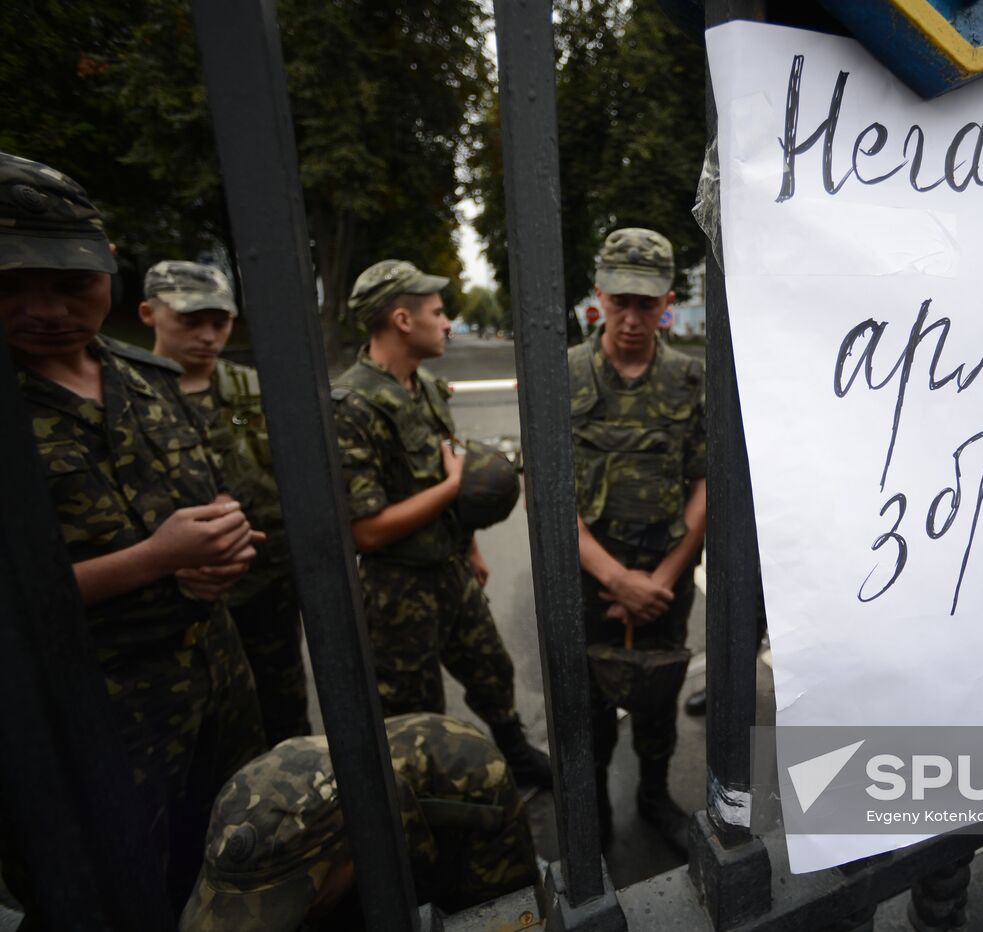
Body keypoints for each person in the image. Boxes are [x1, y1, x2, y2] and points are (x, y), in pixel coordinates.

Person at [0, 152, 266, 910]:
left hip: (217, 681)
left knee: (244, 858)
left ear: (108, 270)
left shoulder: (144, 380)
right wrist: (156, 559)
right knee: (129, 892)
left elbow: (212, 500)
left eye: (69, 283)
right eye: (11, 283)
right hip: (98, 716)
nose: (43, 307)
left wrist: (224, 554)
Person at [331, 259, 550, 789]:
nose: (448, 321)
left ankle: (515, 751)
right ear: (402, 320)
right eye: (437, 311)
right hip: (397, 589)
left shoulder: (426, 388)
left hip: (449, 567)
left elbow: (440, 465)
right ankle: (428, 800)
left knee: (490, 669)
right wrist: (452, 487)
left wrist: (470, 549)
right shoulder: (352, 405)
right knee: (414, 709)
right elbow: (367, 531)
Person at [570, 228, 706, 852]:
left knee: (657, 698)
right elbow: (548, 495)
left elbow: (706, 486)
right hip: (585, 582)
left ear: (667, 302)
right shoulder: (562, 375)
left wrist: (662, 580)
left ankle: (654, 796)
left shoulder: (689, 378)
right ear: (598, 293)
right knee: (587, 709)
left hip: (663, 580)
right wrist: (614, 578)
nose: (630, 317)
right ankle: (590, 810)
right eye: (619, 300)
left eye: (645, 304)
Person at [140, 260, 311, 743]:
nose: (208, 336)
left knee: (283, 704)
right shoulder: (133, 396)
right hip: (177, 596)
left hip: (267, 582)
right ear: (149, 313)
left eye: (221, 323)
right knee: (200, 726)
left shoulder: (256, 389)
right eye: (191, 321)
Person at [179, 713, 538, 930]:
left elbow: (508, 914)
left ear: (354, 854)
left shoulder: (471, 780)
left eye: (303, 900)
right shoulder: (251, 826)